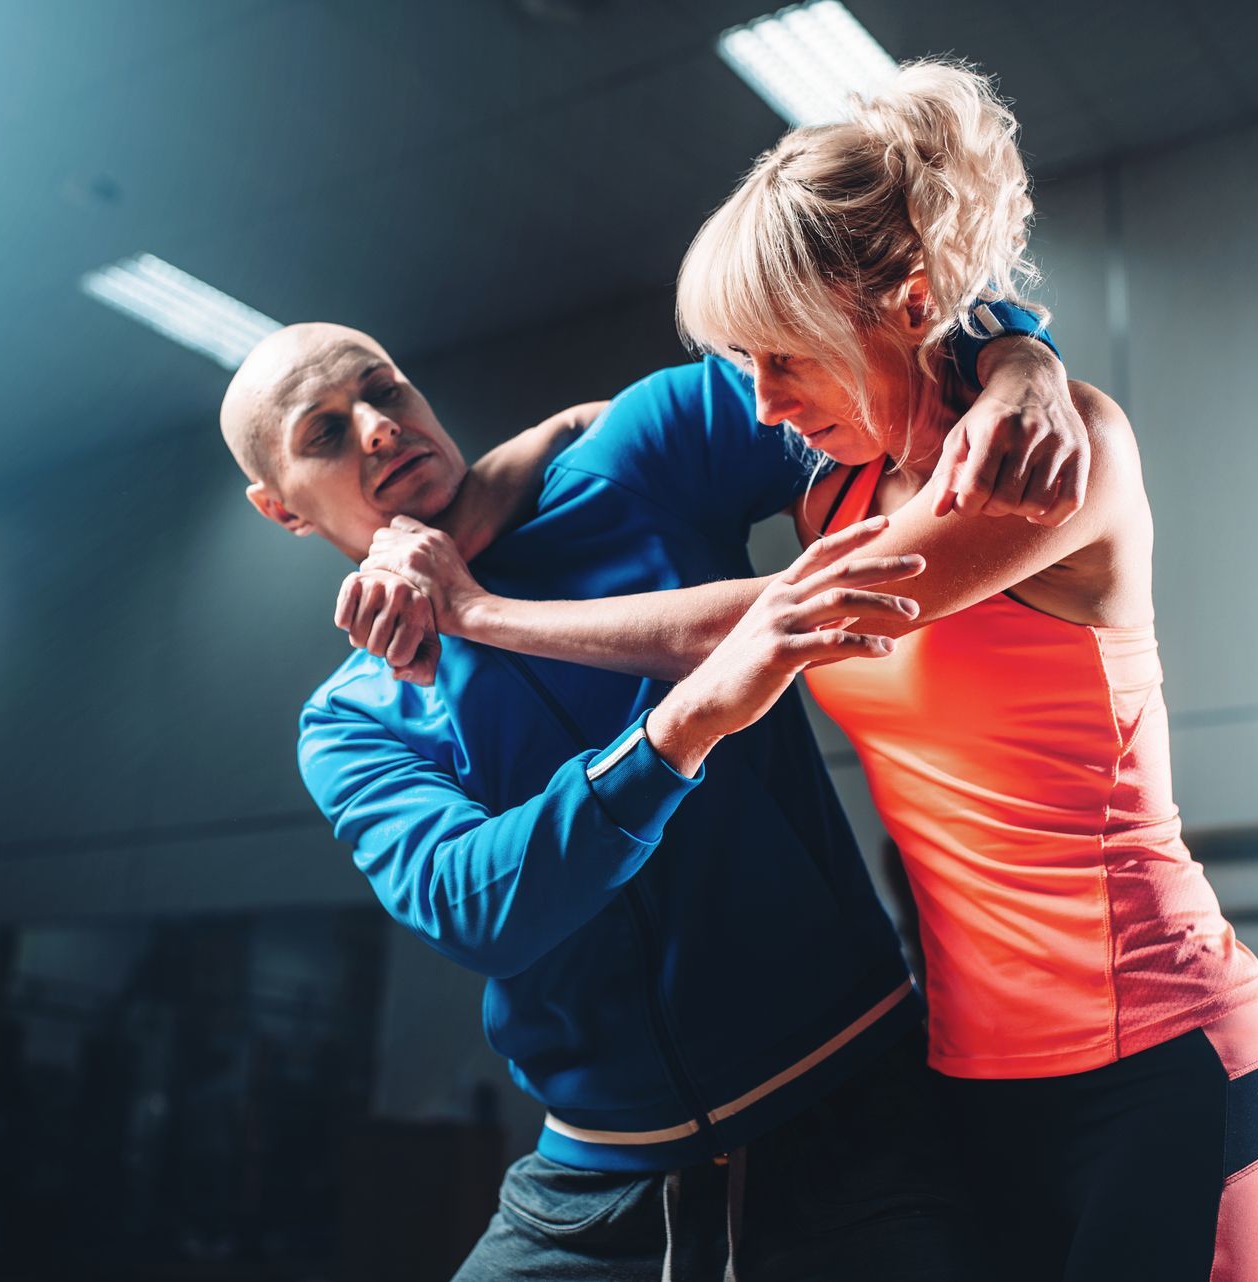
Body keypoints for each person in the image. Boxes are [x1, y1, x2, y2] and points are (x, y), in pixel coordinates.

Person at [352, 60, 1258, 1281]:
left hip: (1164, 1065)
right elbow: (594, 443)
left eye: (785, 359)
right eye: (744, 364)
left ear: (908, 303)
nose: (761, 402)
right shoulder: (834, 486)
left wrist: (483, 613)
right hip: (970, 1078)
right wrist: (443, 533)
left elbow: (767, 622)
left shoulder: (1050, 462)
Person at [220, 317, 1086, 1279]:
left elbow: (882, 347)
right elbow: (479, 909)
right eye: (326, 433)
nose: (378, 427)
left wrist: (1022, 363)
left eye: (383, 388)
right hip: (594, 1185)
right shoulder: (350, 721)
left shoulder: (633, 453)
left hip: (860, 1119)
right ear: (281, 508)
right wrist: (684, 727)